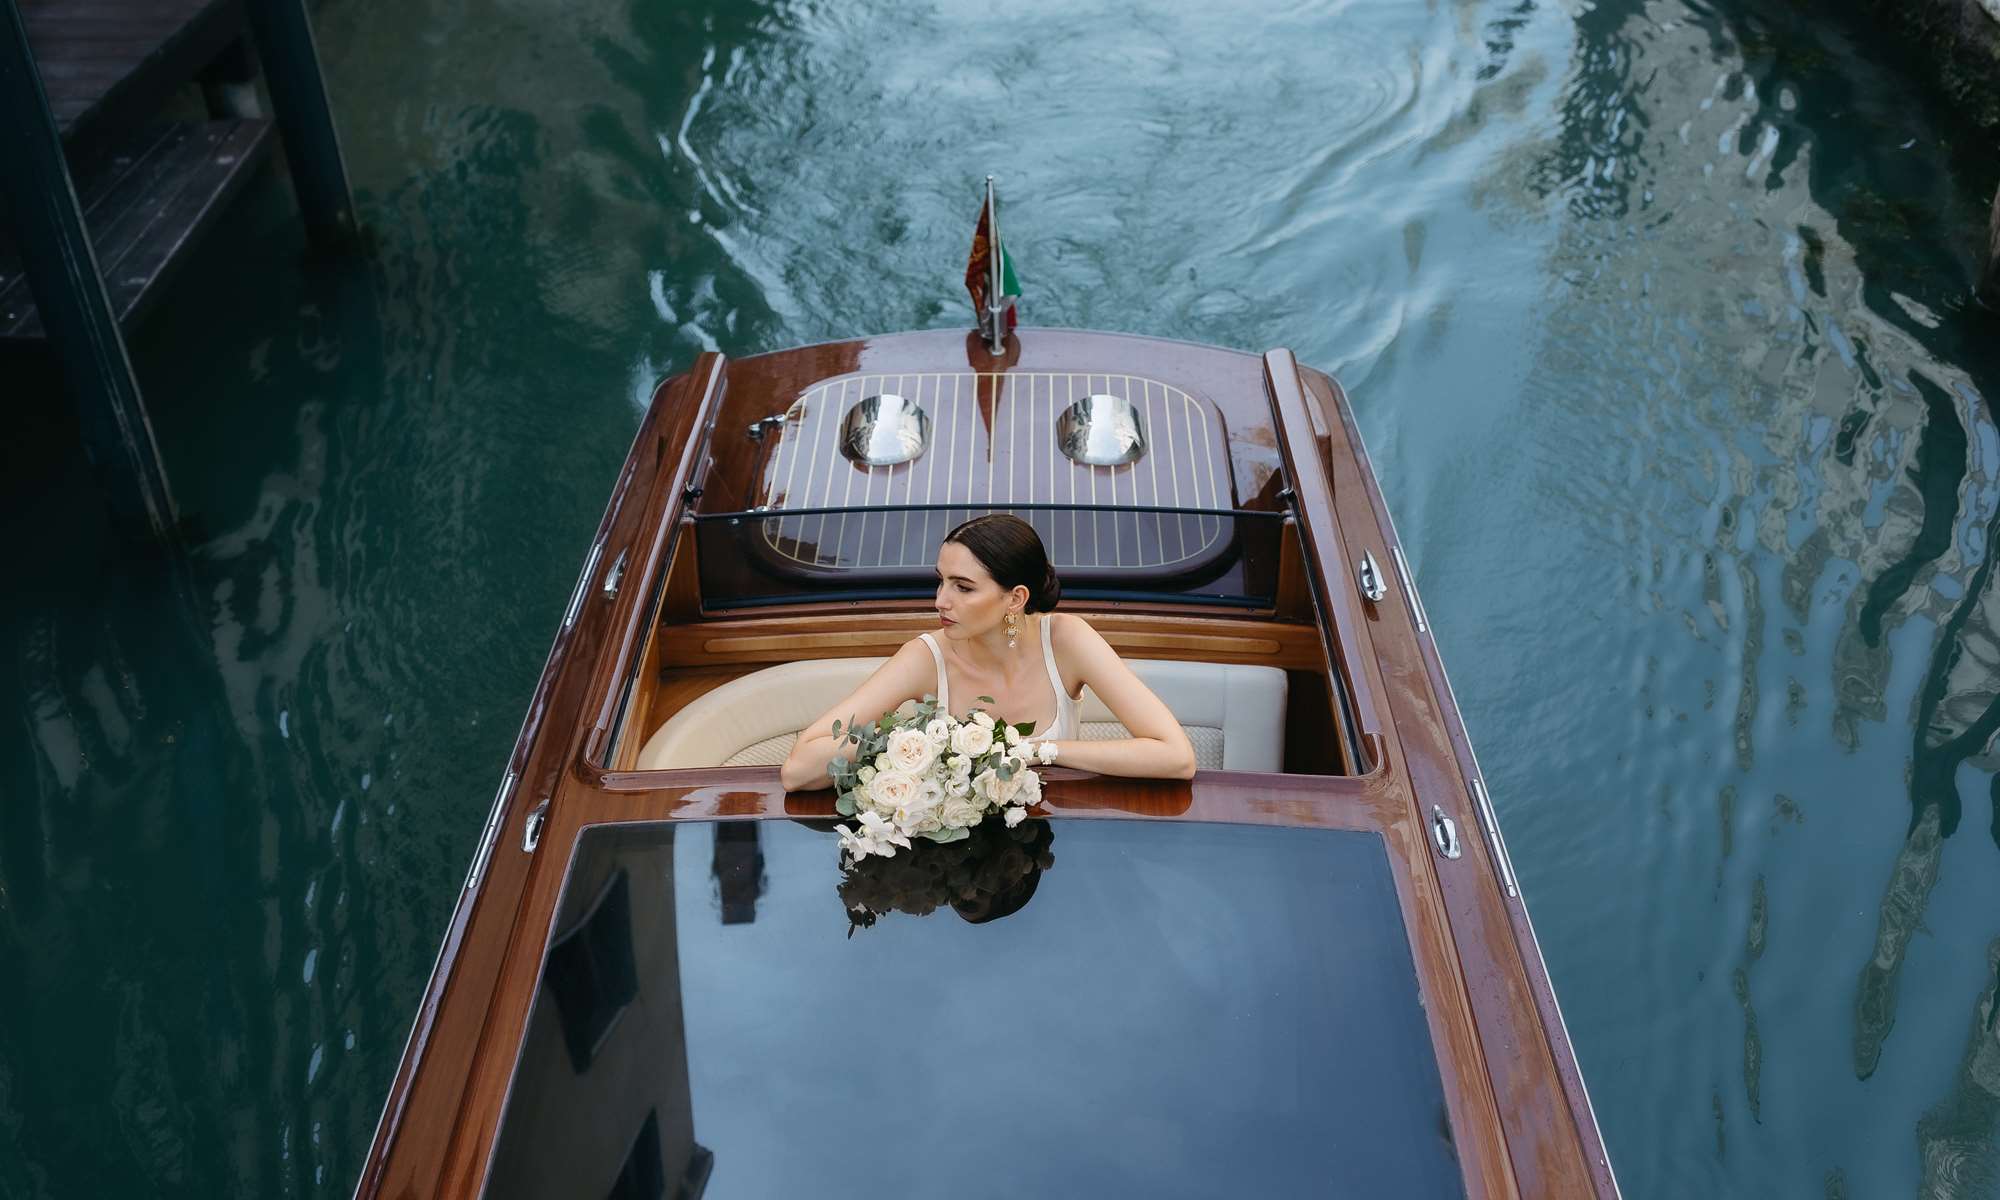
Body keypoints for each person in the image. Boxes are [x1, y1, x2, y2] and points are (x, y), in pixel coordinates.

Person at [779, 514, 1197, 791]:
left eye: (963, 587)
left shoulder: (1067, 640)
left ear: (1015, 598)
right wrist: (923, 742)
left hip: (1056, 834)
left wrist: (1036, 752)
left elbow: (1176, 757)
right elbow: (798, 770)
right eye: (941, 581)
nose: (941, 601)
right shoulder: (925, 657)